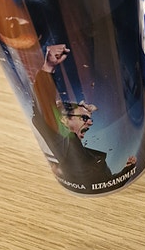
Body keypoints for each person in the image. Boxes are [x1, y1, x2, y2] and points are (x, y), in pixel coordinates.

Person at [32, 43, 136, 191]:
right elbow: (43, 106)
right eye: (84, 118)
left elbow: (105, 182)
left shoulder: (84, 153)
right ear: (64, 120)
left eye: (89, 118)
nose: (90, 122)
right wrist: (48, 67)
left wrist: (127, 169)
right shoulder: (62, 140)